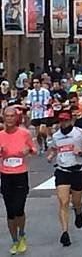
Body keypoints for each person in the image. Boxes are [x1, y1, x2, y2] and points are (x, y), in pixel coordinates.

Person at [47, 109, 82, 247]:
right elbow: (54, 148)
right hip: (62, 171)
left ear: (71, 120)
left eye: (66, 120)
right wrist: (51, 155)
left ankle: (78, 212)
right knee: (63, 201)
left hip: (77, 170)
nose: (64, 123)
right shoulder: (56, 136)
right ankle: (65, 233)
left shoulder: (79, 133)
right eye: (61, 121)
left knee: (77, 201)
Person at [0, 107, 36, 255]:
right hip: (6, 175)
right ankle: (14, 240)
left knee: (19, 209)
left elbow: (33, 148)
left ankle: (22, 234)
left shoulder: (24, 133)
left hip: (20, 174)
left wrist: (28, 150)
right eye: (6, 116)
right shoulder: (0, 135)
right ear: (3, 118)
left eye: (12, 116)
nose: (9, 119)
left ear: (16, 118)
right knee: (10, 212)